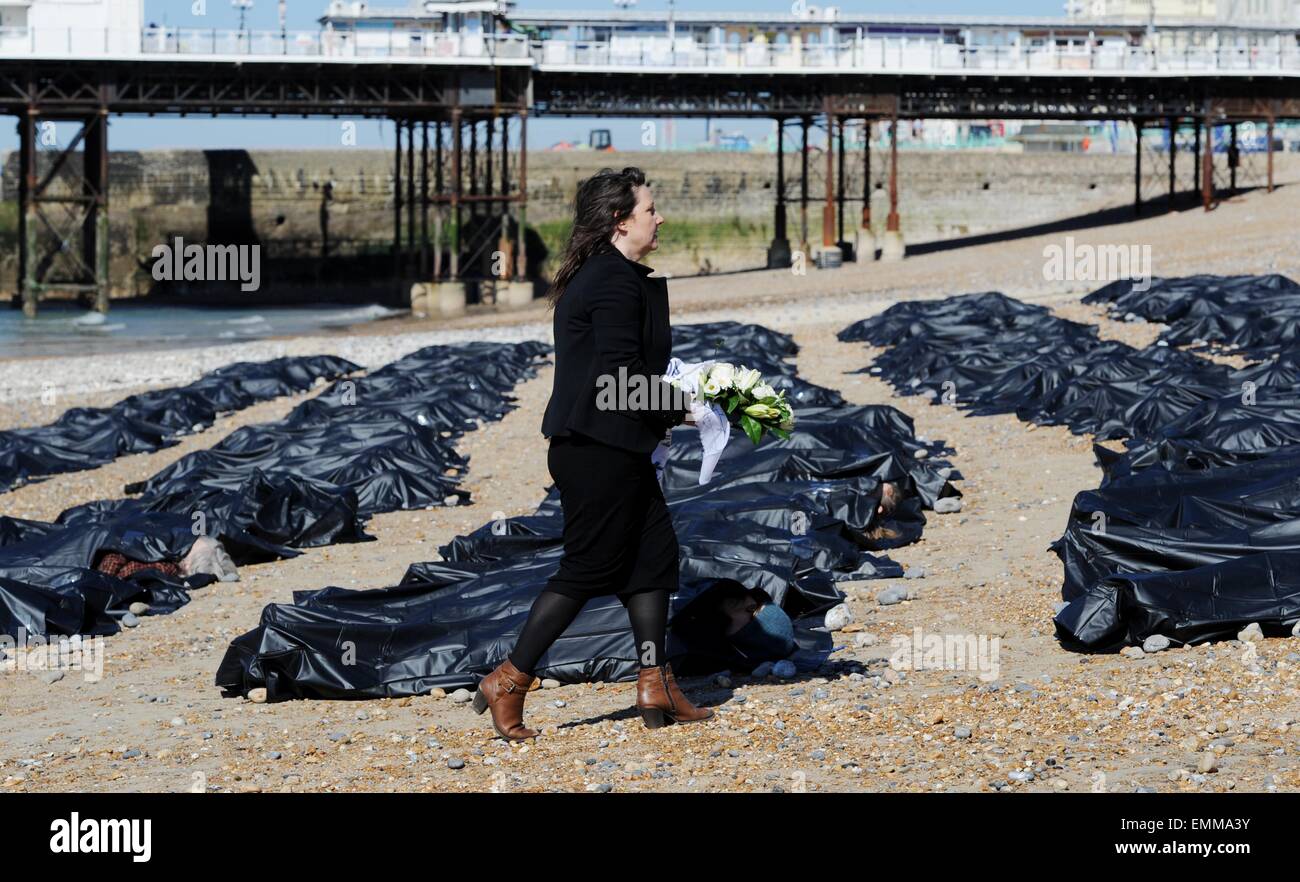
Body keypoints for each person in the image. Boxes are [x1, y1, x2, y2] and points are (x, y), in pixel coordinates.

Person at [472, 166, 715, 740]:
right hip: (596, 449)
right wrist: (686, 408)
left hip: (614, 445)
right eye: (650, 208)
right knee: (588, 567)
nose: (660, 217)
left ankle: (655, 681)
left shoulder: (613, 274)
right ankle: (508, 679)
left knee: (653, 560)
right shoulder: (610, 280)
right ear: (619, 219)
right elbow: (617, 378)